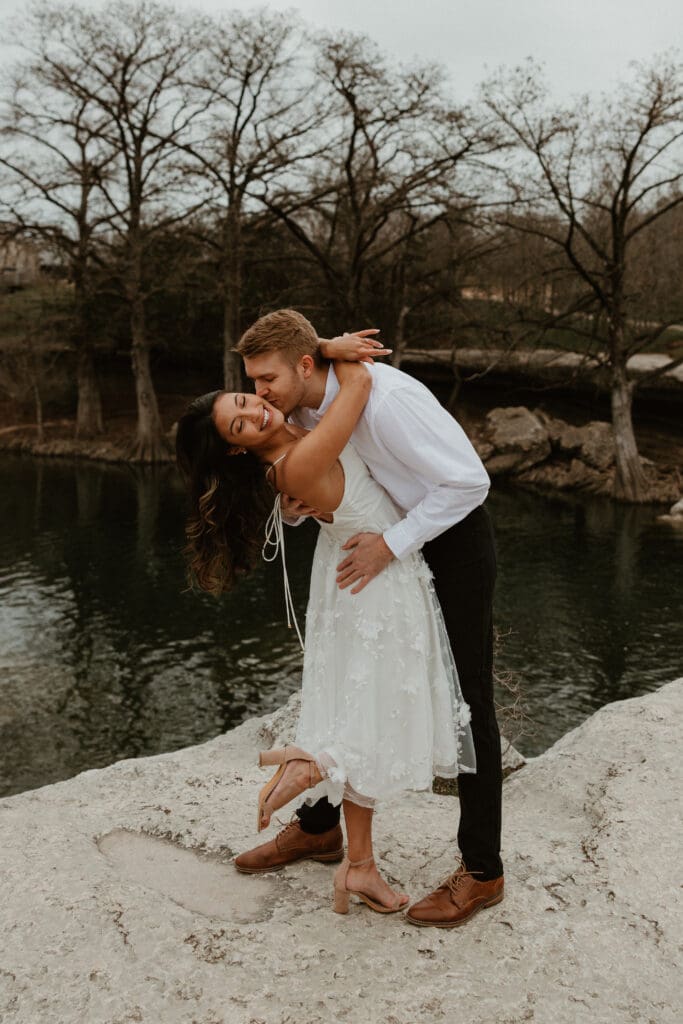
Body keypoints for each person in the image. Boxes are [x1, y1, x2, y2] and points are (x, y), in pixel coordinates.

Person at [175, 358, 476, 915]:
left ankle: (358, 863)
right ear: (237, 450)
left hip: (350, 574)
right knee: (376, 715)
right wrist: (324, 346)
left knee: (363, 705)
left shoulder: (290, 443)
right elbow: (359, 382)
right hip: (375, 581)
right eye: (240, 424)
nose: (257, 407)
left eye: (245, 400)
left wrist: (288, 512)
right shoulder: (302, 454)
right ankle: (314, 764)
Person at [233, 309, 503, 929]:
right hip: (378, 547)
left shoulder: (388, 402)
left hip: (451, 540)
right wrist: (300, 510)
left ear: (305, 366)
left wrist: (393, 543)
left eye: (266, 379)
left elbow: (469, 482)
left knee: (470, 700)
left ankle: (483, 871)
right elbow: (330, 479)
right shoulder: (299, 406)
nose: (259, 395)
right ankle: (322, 831)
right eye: (252, 383)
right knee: (348, 681)